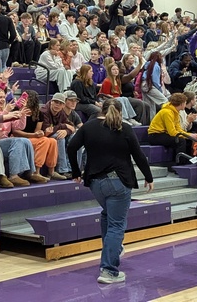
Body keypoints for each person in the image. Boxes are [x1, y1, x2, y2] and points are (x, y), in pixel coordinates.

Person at [67, 99, 154, 284]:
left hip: (95, 182)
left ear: (101, 109)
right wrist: (148, 176)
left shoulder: (89, 126)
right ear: (120, 111)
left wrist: (75, 172)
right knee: (117, 226)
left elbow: (71, 147)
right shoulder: (124, 127)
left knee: (107, 216)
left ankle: (112, 249)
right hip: (118, 181)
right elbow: (138, 155)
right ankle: (109, 270)